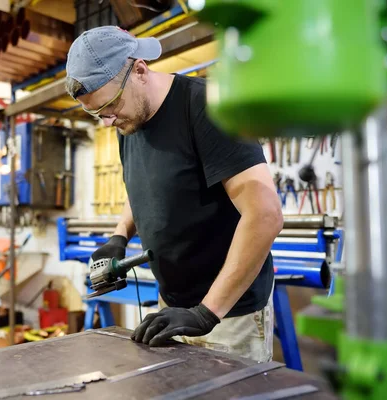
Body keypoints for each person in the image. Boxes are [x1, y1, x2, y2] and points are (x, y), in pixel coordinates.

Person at [64, 26, 283, 362]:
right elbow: (145, 185)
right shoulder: (127, 120)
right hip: (173, 306)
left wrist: (206, 313)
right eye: (97, 114)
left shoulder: (206, 106)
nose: (107, 122)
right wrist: (119, 235)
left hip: (227, 313)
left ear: (139, 69)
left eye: (110, 105)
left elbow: (265, 215)